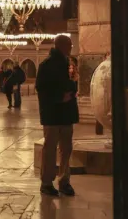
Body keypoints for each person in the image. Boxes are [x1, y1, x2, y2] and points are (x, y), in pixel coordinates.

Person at [35, 35, 79, 197]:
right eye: (70, 44)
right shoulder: (47, 65)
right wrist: (60, 97)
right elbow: (41, 88)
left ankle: (64, 181)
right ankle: (46, 183)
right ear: (62, 46)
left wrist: (72, 89)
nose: (72, 47)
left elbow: (70, 83)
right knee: (50, 149)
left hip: (66, 114)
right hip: (53, 115)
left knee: (66, 149)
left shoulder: (68, 63)